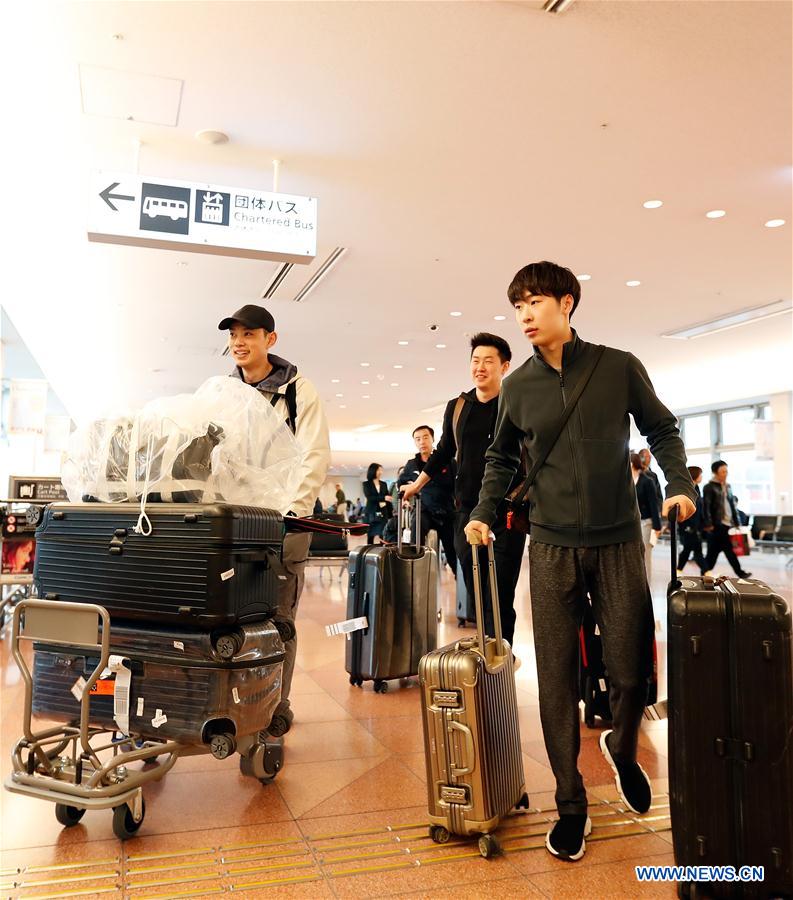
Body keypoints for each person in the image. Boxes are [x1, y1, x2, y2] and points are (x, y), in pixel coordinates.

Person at [464, 261, 696, 862]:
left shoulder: (617, 367)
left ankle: (622, 747)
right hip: (551, 545)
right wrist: (484, 511)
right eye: (517, 307)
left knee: (628, 668)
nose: (524, 316)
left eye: (535, 302)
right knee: (556, 675)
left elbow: (662, 430)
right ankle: (571, 801)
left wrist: (679, 485)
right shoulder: (518, 389)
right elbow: (500, 460)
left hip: (618, 541)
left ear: (567, 303)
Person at [219, 303, 330, 735]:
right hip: (236, 526)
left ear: (270, 339)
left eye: (248, 334)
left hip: (283, 527)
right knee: (232, 616)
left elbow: (314, 455)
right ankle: (236, 702)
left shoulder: (299, 390)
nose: (239, 343)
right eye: (233, 336)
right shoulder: (225, 395)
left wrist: (292, 514)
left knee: (279, 618)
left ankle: (275, 707)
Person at [401, 333, 526, 648]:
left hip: (506, 513)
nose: (480, 367)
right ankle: (487, 649)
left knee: (500, 591)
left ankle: (502, 655)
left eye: (488, 361)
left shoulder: (517, 405)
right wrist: (417, 484)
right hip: (465, 512)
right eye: (475, 360)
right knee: (476, 588)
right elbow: (444, 451)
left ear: (505, 366)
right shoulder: (458, 407)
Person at [398, 425, 457, 574]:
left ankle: (462, 582)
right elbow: (401, 485)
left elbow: (459, 484)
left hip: (447, 510)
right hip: (424, 510)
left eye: (425, 437)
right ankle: (415, 571)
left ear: (432, 439)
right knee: (416, 530)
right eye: (418, 439)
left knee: (453, 550)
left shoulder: (447, 461)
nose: (422, 442)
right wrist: (405, 496)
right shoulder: (411, 464)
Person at [702, 460, 751, 578]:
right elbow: (706, 506)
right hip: (716, 525)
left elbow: (732, 505)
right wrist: (709, 524)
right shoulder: (709, 487)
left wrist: (737, 522)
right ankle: (705, 573)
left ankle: (705, 573)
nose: (725, 473)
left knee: (724, 551)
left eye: (726, 471)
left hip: (727, 525)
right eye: (723, 471)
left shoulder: (728, 486)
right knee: (717, 553)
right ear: (715, 472)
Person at [631, 452, 661, 586]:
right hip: (631, 523)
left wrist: (657, 526)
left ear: (632, 464)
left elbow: (653, 504)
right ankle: (635, 583)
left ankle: (646, 584)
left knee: (645, 553)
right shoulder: (626, 482)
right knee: (633, 554)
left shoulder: (647, 481)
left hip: (646, 522)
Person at [677, 465, 706, 575]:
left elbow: (699, 509)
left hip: (696, 526)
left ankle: (678, 570)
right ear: (695, 475)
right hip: (688, 526)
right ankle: (707, 573)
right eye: (700, 474)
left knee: (688, 550)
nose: (701, 477)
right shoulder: (686, 490)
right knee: (695, 551)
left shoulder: (697, 489)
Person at [363, 463, 392, 543]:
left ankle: (381, 553)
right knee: (370, 535)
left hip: (383, 512)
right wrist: (383, 498)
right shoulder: (366, 484)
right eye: (379, 470)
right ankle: (368, 551)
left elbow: (387, 497)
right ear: (373, 471)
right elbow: (369, 497)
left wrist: (390, 513)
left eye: (381, 470)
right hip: (371, 513)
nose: (380, 472)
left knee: (383, 534)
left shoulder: (384, 484)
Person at [638, 448, 664, 515]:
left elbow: (659, 494)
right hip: (640, 511)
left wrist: (660, 508)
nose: (649, 458)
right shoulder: (636, 474)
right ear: (641, 458)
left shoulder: (653, 475)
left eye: (650, 457)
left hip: (654, 509)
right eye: (647, 456)